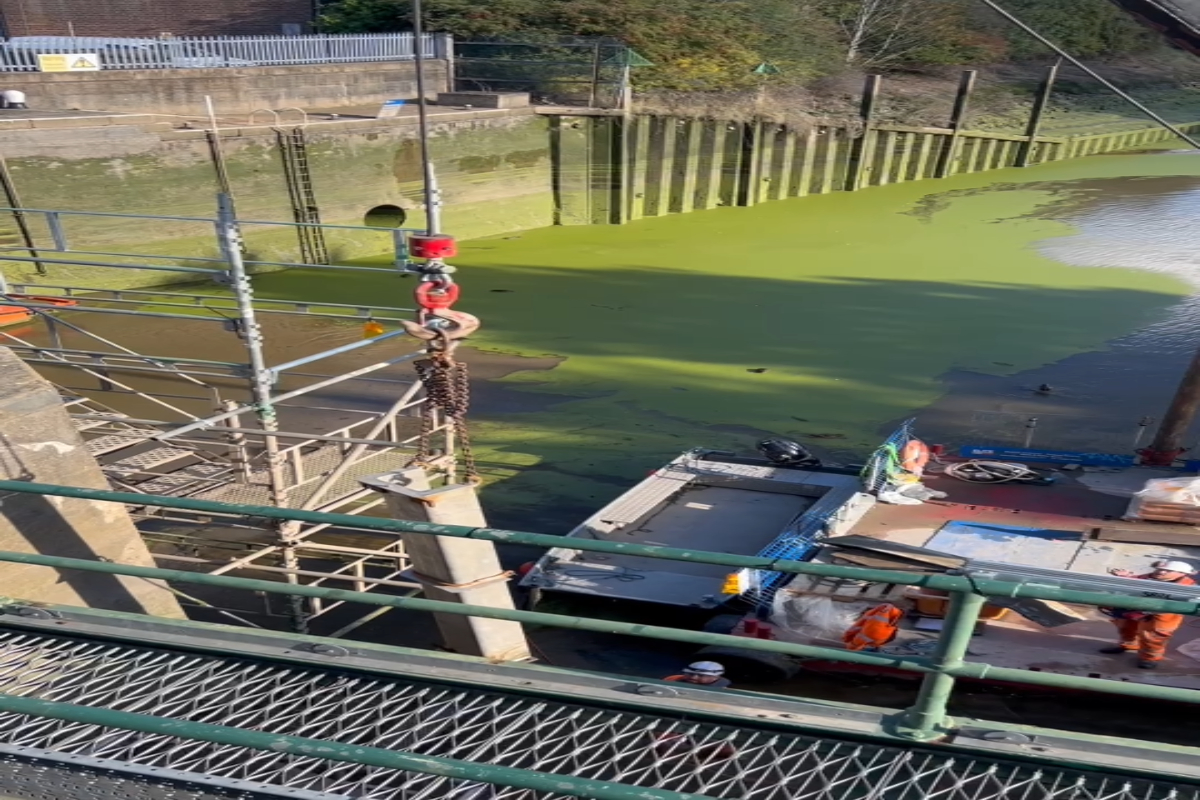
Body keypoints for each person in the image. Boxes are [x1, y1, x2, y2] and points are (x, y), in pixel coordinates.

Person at [1100, 559, 1197, 669]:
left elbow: (1183, 603)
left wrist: (1148, 611)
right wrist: (1126, 576)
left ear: (1182, 573)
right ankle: (1129, 644)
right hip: (1137, 608)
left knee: (1154, 637)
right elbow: (1137, 580)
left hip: (1163, 613)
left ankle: (1149, 658)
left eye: (1168, 571)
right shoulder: (1149, 577)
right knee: (1126, 627)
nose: (1161, 572)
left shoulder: (1188, 586)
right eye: (1160, 569)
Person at [663, 661, 731, 688]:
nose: (694, 677)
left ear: (715, 677)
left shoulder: (722, 689)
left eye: (701, 675)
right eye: (690, 674)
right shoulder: (673, 679)